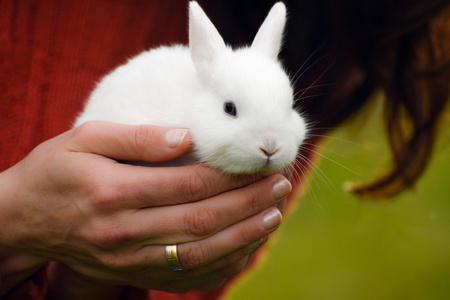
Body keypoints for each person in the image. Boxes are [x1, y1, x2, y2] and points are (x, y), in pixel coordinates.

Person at [0, 0, 448, 299]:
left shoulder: (328, 30)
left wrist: (96, 275)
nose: (273, 143)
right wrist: (19, 222)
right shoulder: (160, 95)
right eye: (232, 110)